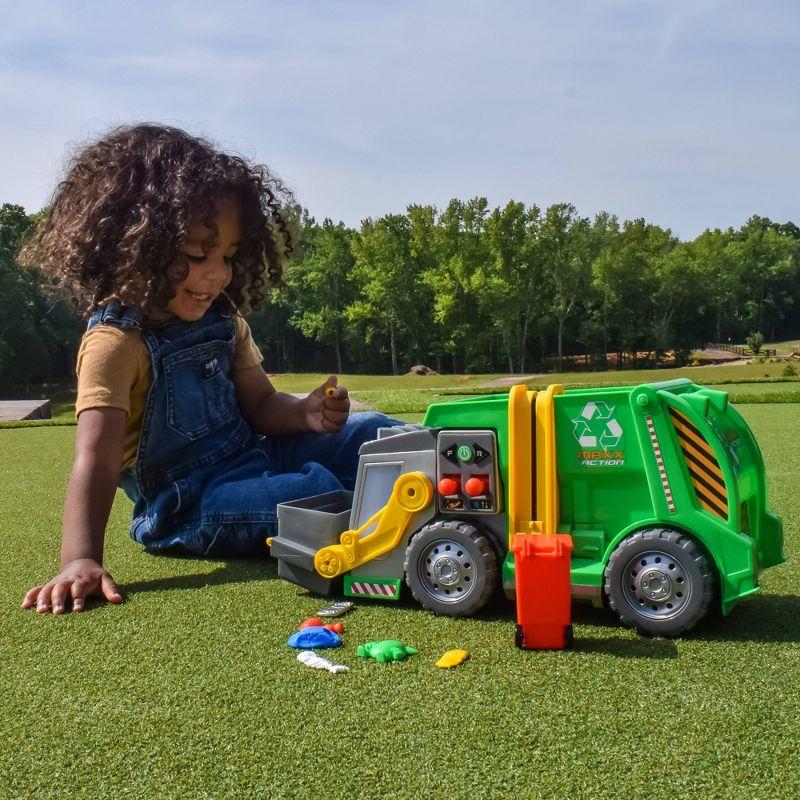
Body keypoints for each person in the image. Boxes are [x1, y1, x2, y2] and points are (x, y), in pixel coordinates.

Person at [19, 123, 400, 615]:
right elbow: (96, 460)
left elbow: (262, 405)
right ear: (136, 245)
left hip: (256, 454)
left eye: (228, 256)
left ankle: (468, 477)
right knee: (312, 493)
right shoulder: (115, 345)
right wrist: (80, 559)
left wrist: (305, 415)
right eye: (198, 255)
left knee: (372, 432)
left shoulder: (223, 319)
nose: (217, 273)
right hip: (190, 505)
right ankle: (413, 513)